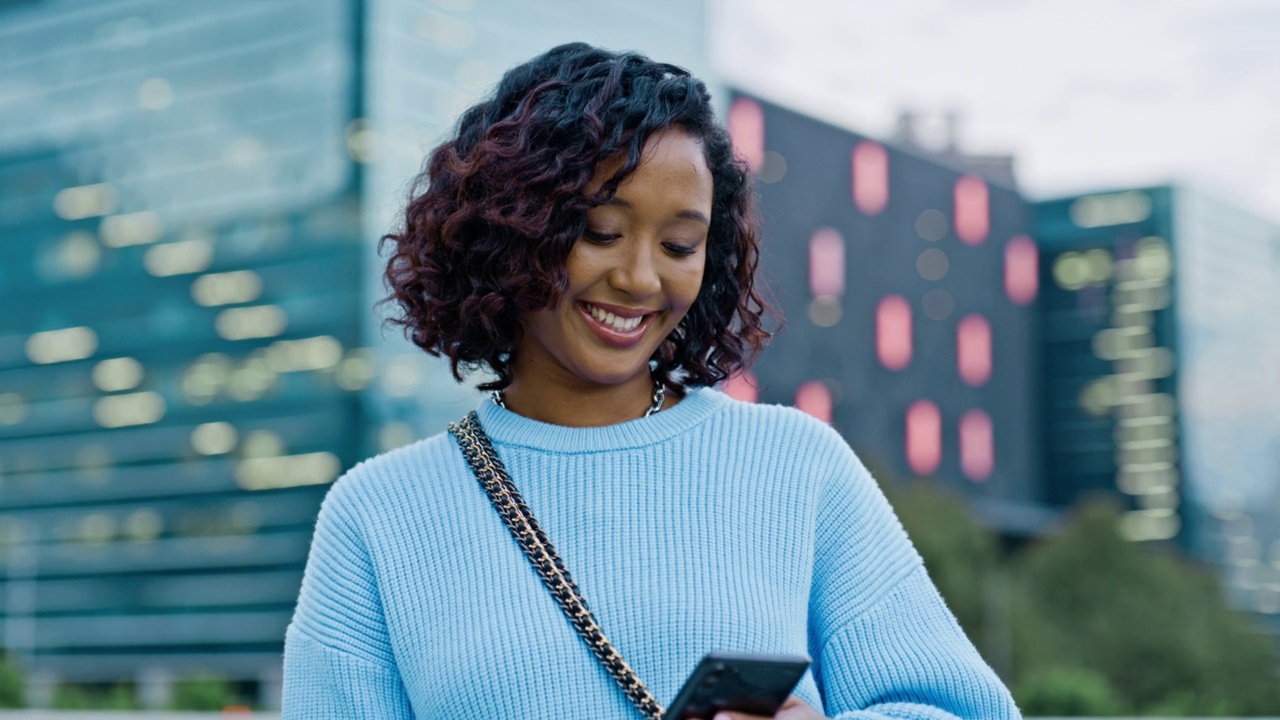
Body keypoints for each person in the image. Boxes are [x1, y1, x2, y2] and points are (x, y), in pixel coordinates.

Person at [282, 42, 1021, 719]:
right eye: (600, 232)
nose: (640, 279)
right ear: (509, 229)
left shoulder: (797, 467)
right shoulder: (377, 518)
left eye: (679, 244)